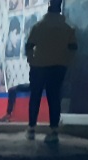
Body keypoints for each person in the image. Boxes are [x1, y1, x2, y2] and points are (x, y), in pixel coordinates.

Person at [24, 0, 77, 144]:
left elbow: (29, 46)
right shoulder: (68, 28)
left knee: (35, 97)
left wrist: (32, 61)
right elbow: (73, 49)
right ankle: (53, 130)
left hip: (39, 66)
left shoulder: (38, 27)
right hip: (58, 67)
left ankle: (31, 128)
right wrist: (66, 62)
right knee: (54, 98)